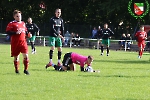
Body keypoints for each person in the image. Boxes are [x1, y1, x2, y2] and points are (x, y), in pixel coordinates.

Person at [6, 10, 30, 75]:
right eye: (17, 16)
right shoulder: (11, 24)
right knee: (16, 57)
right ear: (14, 17)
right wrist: (15, 33)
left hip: (23, 42)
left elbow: (25, 31)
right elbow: (8, 32)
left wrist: (28, 35)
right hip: (15, 43)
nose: (19, 17)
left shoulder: (23, 23)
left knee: (26, 56)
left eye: (20, 16)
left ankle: (26, 70)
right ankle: (17, 70)